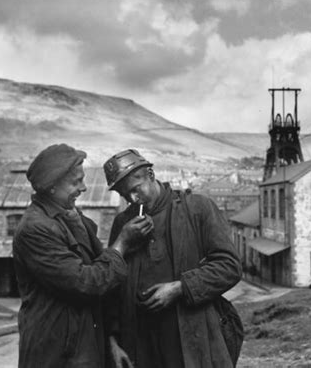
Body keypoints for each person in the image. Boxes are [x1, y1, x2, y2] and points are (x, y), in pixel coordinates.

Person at [13, 144, 153, 368]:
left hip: (79, 347)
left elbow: (100, 269)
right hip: (56, 353)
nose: (84, 188)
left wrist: (110, 341)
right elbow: (87, 282)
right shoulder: (35, 229)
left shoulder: (69, 217)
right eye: (76, 182)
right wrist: (123, 243)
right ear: (51, 187)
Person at [103, 149, 243, 368]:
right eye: (124, 195)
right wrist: (112, 340)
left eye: (135, 190)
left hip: (192, 339)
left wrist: (179, 288)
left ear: (150, 175)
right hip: (141, 345)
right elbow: (112, 287)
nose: (132, 199)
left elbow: (230, 267)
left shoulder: (196, 208)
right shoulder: (123, 223)